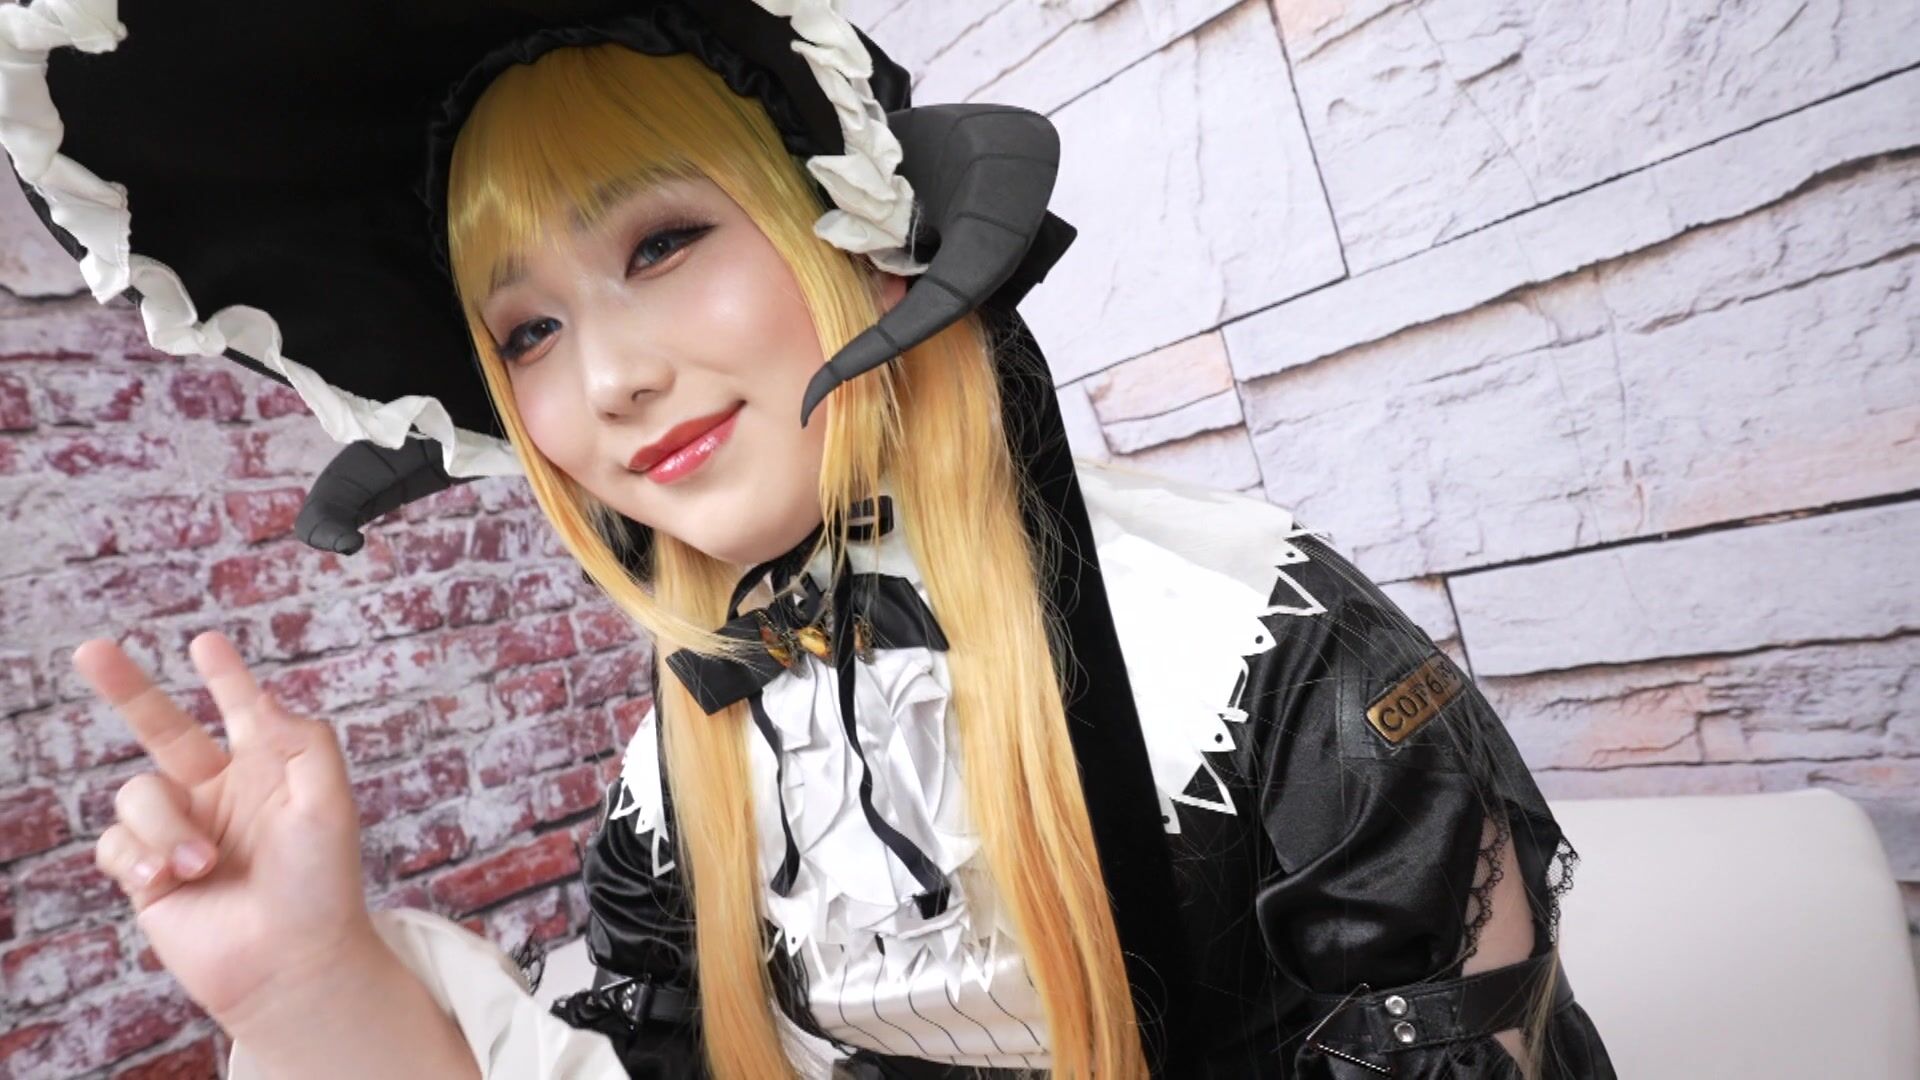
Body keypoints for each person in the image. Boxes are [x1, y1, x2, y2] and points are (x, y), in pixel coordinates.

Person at [7, 2, 1618, 1077]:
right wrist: (311, 987)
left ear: (858, 232)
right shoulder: (687, 768)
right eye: (529, 331)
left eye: (663, 241)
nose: (612, 380)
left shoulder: (1256, 654)